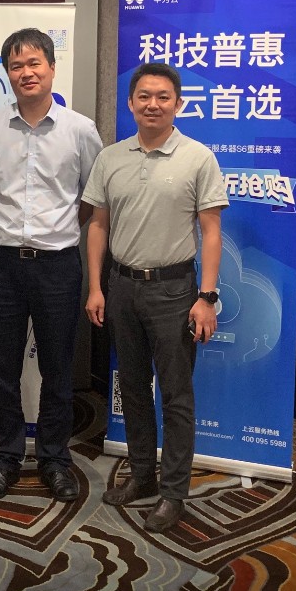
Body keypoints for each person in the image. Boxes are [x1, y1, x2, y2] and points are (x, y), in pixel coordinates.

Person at [82, 62, 227, 533]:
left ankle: (174, 492)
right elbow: (98, 225)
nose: (153, 104)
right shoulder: (111, 158)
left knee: (176, 394)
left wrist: (207, 296)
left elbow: (211, 231)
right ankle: (142, 474)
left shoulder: (198, 157)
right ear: (130, 102)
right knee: (132, 387)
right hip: (121, 287)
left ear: (178, 104)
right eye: (144, 96)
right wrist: (96, 287)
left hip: (174, 291)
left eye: (163, 97)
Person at [0, 28, 103, 501]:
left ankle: (54, 459)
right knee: (2, 367)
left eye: (34, 63)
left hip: (57, 266)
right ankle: (4, 458)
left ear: (51, 67)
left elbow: (91, 198)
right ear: (7, 73)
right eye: (16, 65)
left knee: (58, 367)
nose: (26, 72)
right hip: (1, 263)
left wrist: (55, 230)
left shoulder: (80, 130)